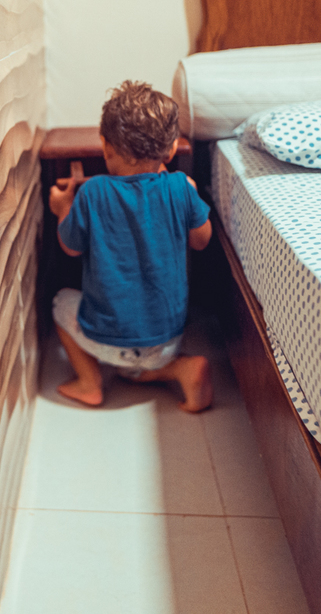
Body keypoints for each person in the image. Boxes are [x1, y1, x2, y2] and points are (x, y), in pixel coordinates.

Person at [48, 80, 213, 411]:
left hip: (108, 339)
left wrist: (62, 208)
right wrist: (186, 197)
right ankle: (180, 366)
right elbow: (202, 240)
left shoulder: (93, 192)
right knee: (136, 365)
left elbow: (71, 247)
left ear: (106, 147)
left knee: (60, 302)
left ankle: (90, 383)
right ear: (169, 151)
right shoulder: (181, 186)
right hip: (168, 337)